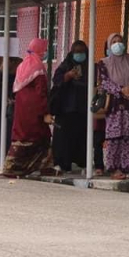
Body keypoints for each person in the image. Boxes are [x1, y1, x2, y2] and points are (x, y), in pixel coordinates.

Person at [3, 39, 56, 177]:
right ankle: (37, 166)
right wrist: (45, 112)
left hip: (22, 109)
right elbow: (41, 92)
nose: (46, 52)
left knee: (25, 135)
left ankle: (19, 166)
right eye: (44, 49)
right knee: (40, 136)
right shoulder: (38, 68)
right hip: (35, 108)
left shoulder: (23, 65)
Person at [97, 33, 129, 180]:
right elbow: (105, 82)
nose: (118, 44)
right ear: (109, 45)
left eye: (120, 41)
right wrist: (122, 90)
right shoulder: (104, 62)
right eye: (114, 41)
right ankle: (115, 168)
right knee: (115, 136)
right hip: (115, 105)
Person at [50, 40, 89, 173]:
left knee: (82, 137)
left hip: (83, 109)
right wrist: (69, 76)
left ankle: (83, 164)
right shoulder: (65, 65)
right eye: (77, 52)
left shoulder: (90, 67)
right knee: (62, 138)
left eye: (82, 52)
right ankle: (61, 163)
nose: (80, 55)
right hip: (65, 108)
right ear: (71, 53)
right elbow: (57, 81)